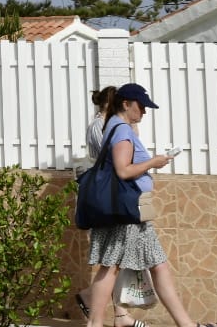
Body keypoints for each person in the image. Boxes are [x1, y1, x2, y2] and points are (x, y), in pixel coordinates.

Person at [81, 83, 217, 327]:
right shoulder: (122, 129)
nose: (144, 112)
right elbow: (123, 170)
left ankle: (187, 325)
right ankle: (95, 323)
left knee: (158, 264)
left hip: (134, 210)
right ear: (126, 104)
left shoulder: (116, 125)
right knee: (111, 266)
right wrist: (154, 162)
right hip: (127, 210)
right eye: (141, 106)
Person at [75, 86, 143, 327]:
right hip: (105, 199)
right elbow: (115, 160)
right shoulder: (100, 126)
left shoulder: (115, 125)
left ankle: (116, 313)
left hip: (113, 197)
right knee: (111, 260)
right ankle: (110, 315)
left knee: (115, 260)